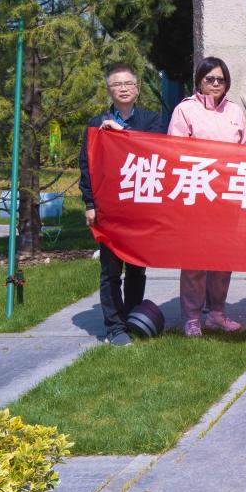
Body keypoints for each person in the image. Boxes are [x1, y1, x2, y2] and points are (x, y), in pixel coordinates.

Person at [79, 63, 164, 346]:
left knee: (136, 268)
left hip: (139, 207)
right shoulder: (95, 124)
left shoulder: (151, 119)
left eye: (128, 83)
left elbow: (155, 149)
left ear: (137, 89)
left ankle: (133, 317)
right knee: (111, 270)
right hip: (108, 208)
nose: (124, 88)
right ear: (109, 90)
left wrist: (121, 132)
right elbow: (86, 166)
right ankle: (114, 327)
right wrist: (90, 203)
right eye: (117, 84)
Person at [168, 57, 246, 337]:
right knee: (195, 260)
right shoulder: (185, 110)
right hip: (198, 193)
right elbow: (176, 151)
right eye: (209, 79)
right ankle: (192, 317)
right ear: (199, 81)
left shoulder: (235, 111)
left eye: (220, 80)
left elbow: (245, 151)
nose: (215, 84)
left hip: (228, 196)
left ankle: (217, 313)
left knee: (222, 259)